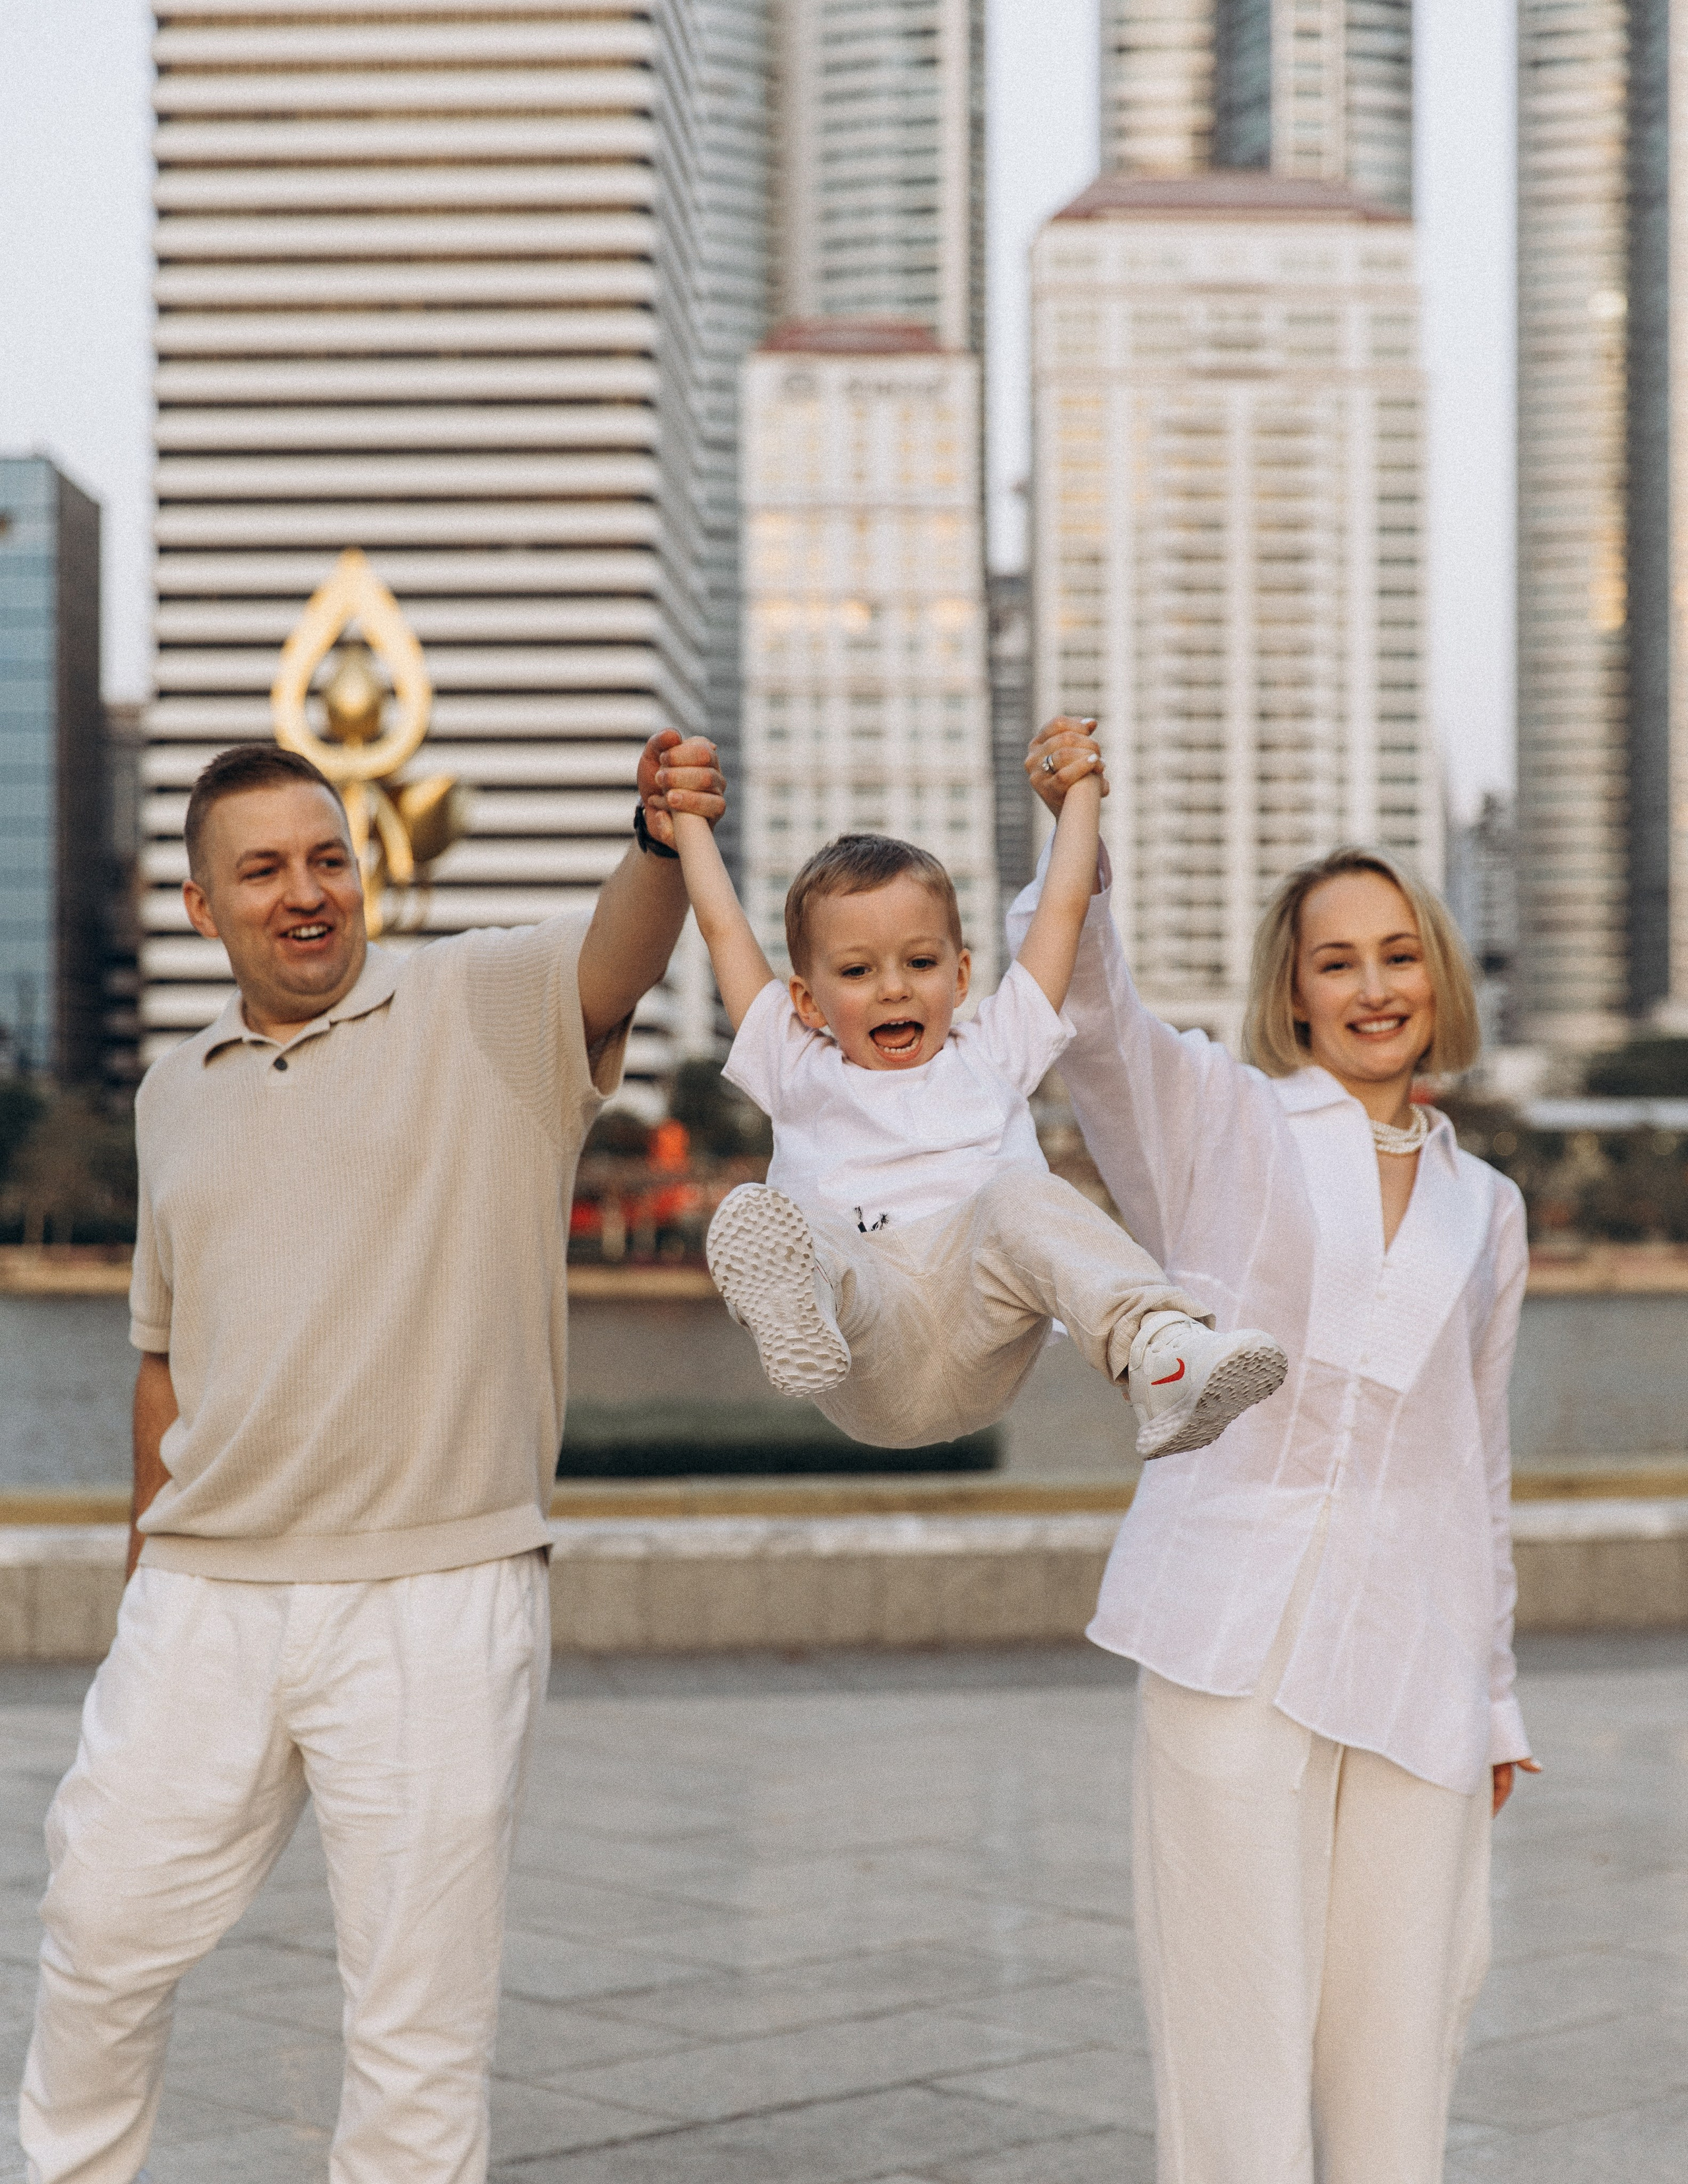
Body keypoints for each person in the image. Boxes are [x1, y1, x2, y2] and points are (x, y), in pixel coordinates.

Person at [19, 730, 725, 2184]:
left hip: (434, 1590)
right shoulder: (172, 1090)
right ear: (202, 906)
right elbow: (161, 1356)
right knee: (97, 1926)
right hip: (203, 1599)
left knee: (416, 2022)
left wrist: (658, 840)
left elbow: (618, 955)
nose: (305, 891)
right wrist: (145, 1577)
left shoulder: (478, 1001)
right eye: (262, 870)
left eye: (327, 858)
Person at [1016, 718, 1541, 2184]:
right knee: (1232, 2044)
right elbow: (1094, 1019)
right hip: (1229, 1635)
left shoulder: (1488, 1207)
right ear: (1292, 992)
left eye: (1398, 954)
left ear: (1436, 974)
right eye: (1337, 961)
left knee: (1400, 2044)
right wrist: (1076, 826)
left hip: (1418, 1657)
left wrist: (1496, 1697)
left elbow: (1477, 1467)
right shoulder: (1223, 1123)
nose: (1373, 987)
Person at [669, 750, 1287, 1457]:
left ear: (961, 975)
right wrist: (688, 819)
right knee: (802, 1230)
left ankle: (1160, 1354)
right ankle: (798, 1304)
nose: (895, 988)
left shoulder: (993, 1051)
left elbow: (1061, 912)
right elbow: (723, 929)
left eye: (920, 962)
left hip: (983, 1327)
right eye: (858, 970)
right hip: (868, 1344)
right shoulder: (795, 1067)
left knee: (1020, 1197)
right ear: (807, 1002)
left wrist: (1079, 796)